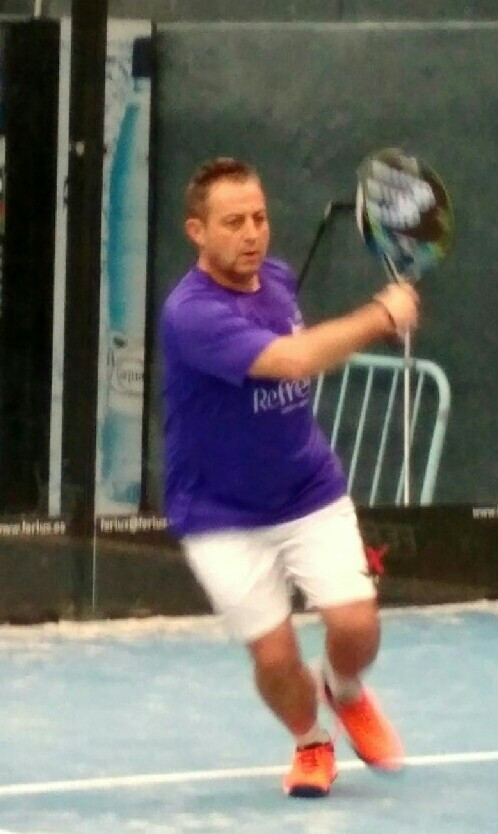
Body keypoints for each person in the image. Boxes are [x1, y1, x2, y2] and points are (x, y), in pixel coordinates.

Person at [160, 157, 419, 798]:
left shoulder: (275, 279)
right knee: (275, 658)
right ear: (197, 231)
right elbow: (295, 360)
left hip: (308, 490)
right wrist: (381, 316)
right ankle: (310, 742)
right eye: (233, 223)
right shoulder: (190, 315)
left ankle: (344, 689)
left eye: (259, 217)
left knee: (356, 627)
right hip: (219, 514)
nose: (252, 233)